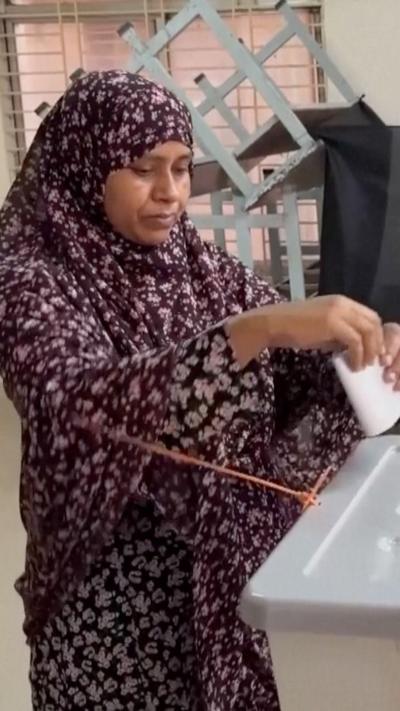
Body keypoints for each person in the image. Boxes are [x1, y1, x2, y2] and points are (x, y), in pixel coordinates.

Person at [1, 70, 400, 711]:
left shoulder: (194, 262)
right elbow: (71, 403)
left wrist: (355, 357)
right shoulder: (28, 273)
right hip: (115, 611)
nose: (170, 194)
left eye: (183, 168)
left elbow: (288, 379)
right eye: (142, 168)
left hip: (222, 585)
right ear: (85, 163)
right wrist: (254, 330)